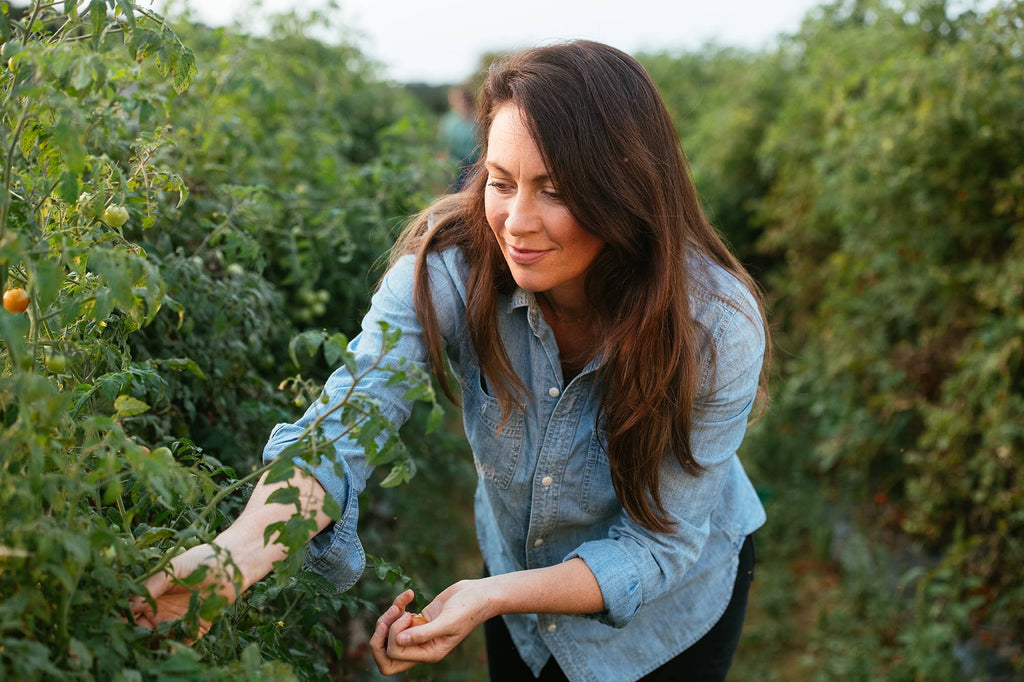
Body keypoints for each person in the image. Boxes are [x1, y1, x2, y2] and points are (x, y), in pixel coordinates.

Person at [130, 40, 769, 682]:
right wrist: (233, 557)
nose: (515, 222)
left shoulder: (713, 328)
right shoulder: (449, 274)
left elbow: (659, 545)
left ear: (622, 191)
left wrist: (492, 594)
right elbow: (345, 424)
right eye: (500, 181)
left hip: (667, 618)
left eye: (554, 190)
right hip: (518, 582)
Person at [439, 84, 479, 191]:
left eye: (464, 97)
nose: (462, 101)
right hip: (456, 167)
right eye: (458, 98)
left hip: (477, 166)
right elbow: (443, 146)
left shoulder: (479, 119)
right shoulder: (448, 121)